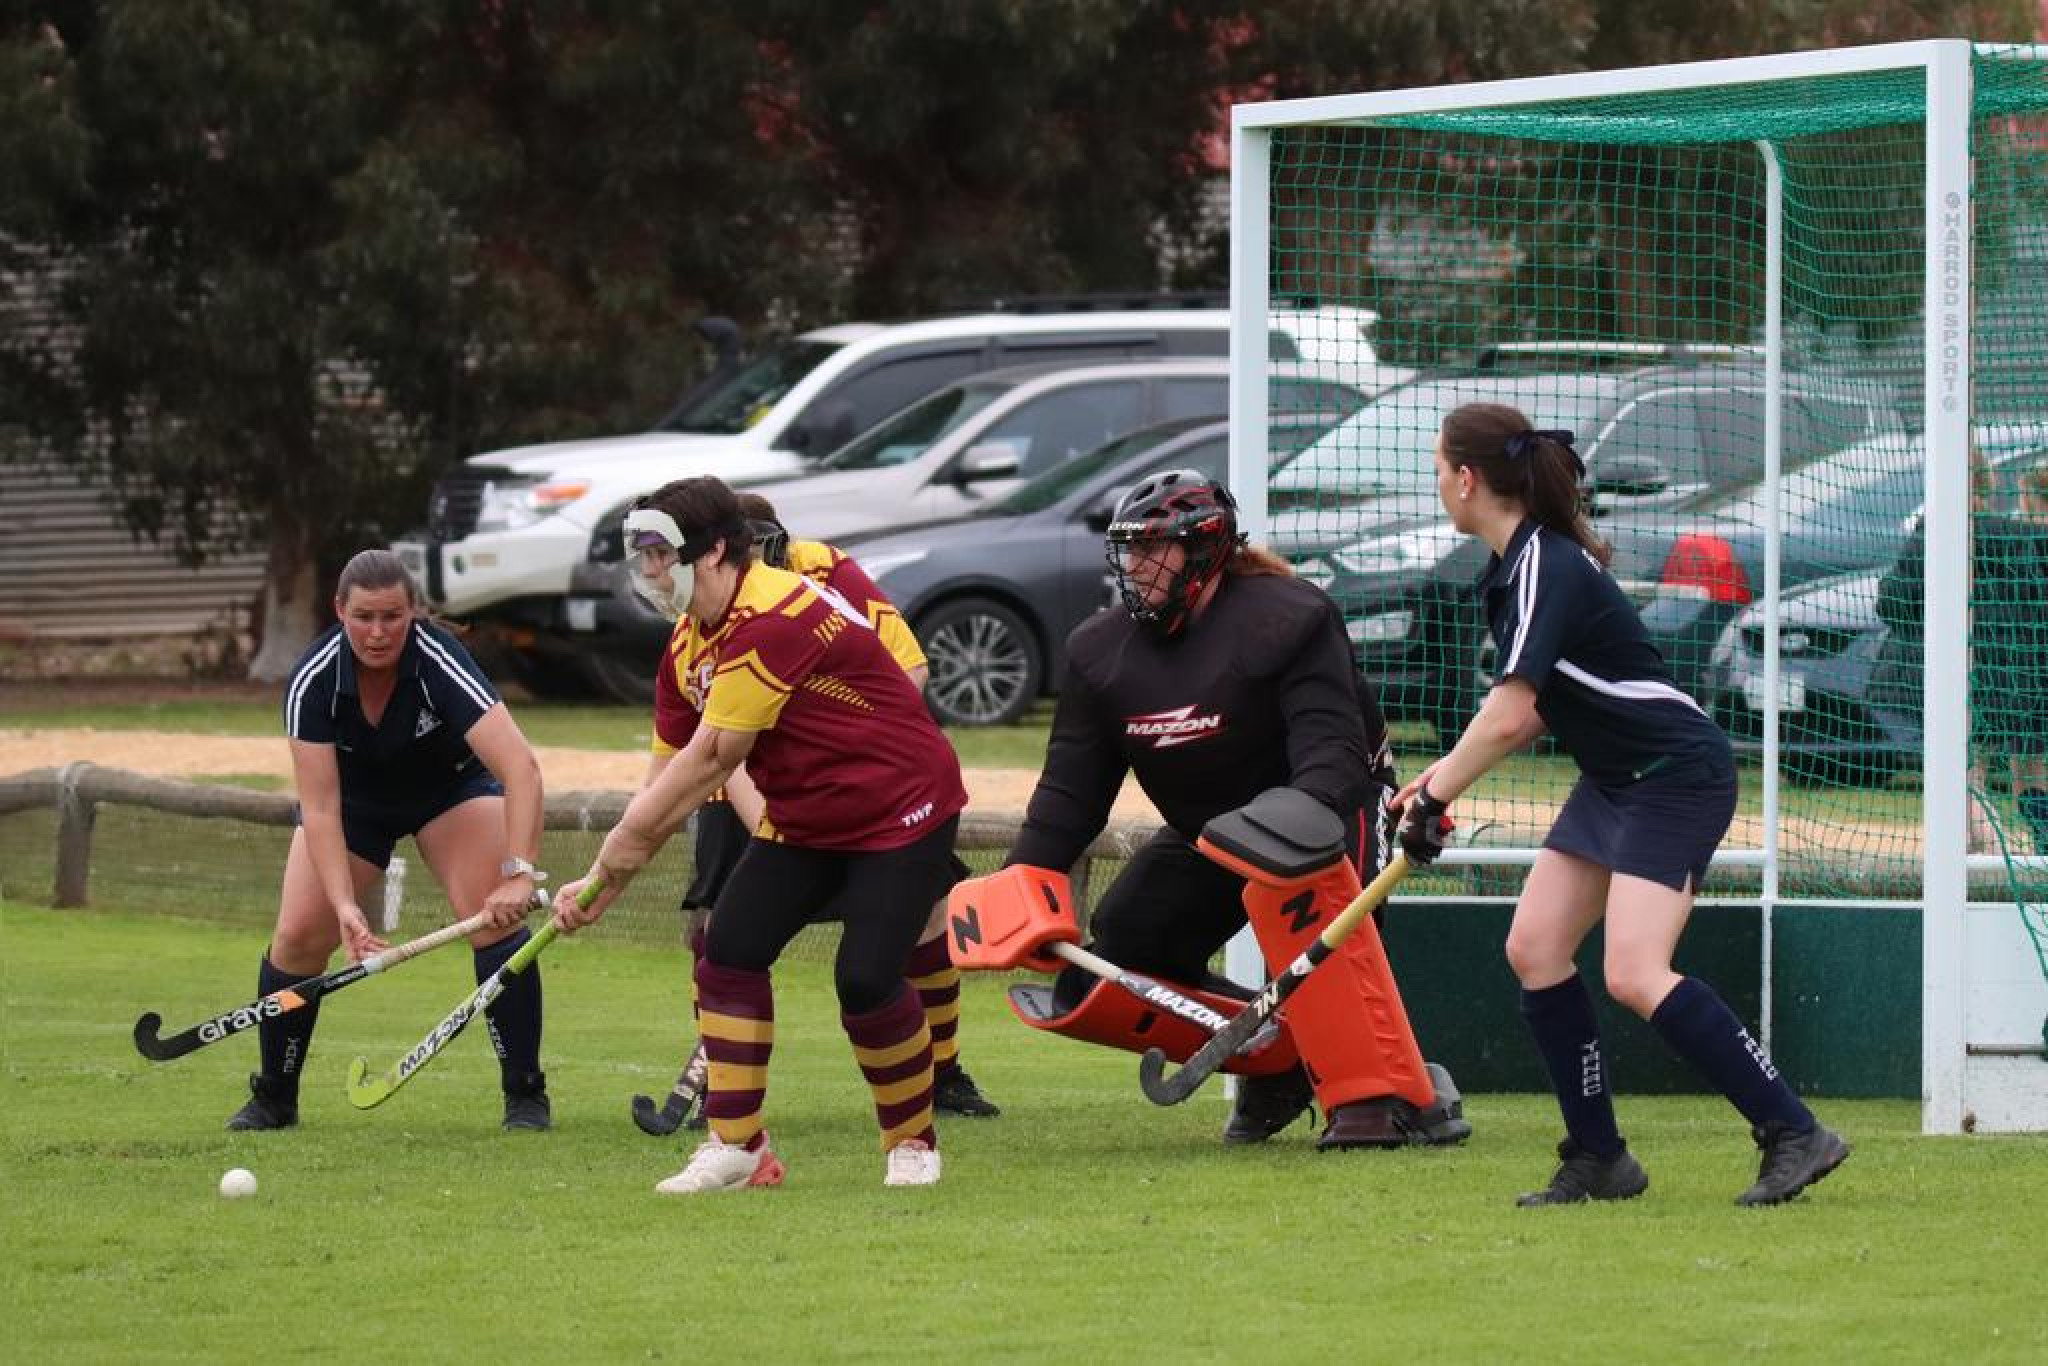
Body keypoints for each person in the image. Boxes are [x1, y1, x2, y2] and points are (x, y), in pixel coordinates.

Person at [1390, 404, 1850, 1206]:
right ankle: (1599, 1157)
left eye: (1437, 470)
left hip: (1674, 774)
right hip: (1615, 780)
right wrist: (1435, 785)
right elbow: (1534, 709)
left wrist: (1436, 791)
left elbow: (1510, 713)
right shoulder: (1514, 568)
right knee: (1536, 947)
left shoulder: (1543, 562)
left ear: (1465, 480)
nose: (1437, 485)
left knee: (1635, 971)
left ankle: (1793, 1130)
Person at [1001, 468, 1469, 1150]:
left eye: (1151, 548)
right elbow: (1070, 796)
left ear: (1202, 550)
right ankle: (1277, 1059)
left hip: (1323, 812)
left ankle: (1379, 1093)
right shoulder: (1098, 651)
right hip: (1212, 828)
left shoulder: (1290, 616)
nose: (1134, 566)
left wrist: (1299, 830)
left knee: (1325, 944)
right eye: (1127, 550)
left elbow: (1331, 754)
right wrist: (1021, 885)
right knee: (1122, 946)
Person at [554, 476, 969, 1193]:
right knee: (729, 953)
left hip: (900, 807)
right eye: (642, 555)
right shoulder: (688, 645)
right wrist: (601, 882)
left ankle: (912, 1143)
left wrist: (613, 860)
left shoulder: (774, 616)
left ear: (715, 550)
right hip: (807, 817)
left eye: (661, 553)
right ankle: (738, 1146)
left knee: (866, 980)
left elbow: (712, 760)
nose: (650, 571)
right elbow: (665, 776)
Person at [659, 491, 999, 1127]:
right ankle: (726, 1091)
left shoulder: (823, 571)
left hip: (869, 784)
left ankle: (943, 1072)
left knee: (919, 919)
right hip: (753, 782)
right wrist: (775, 820)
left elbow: (908, 670)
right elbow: (710, 753)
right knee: (719, 930)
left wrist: (852, 758)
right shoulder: (697, 620)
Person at [229, 548, 549, 1131]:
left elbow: (521, 769)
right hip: (355, 805)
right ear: (340, 612)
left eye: (392, 617)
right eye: (364, 617)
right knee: (298, 935)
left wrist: (520, 871)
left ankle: (525, 1094)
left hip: (448, 791)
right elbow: (320, 807)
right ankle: (275, 1096)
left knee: (493, 918)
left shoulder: (438, 661)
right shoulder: (314, 679)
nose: (378, 633)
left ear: (412, 613)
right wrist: (345, 905)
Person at [1877, 452, 2048, 852]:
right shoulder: (2023, 538)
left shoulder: (1939, 530)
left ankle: (1988, 849)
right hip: (2024, 675)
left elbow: (1894, 601)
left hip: (1961, 670)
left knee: (1966, 772)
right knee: (2029, 766)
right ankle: (2030, 846)